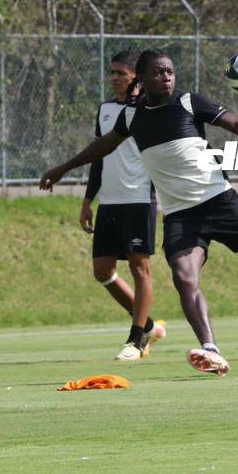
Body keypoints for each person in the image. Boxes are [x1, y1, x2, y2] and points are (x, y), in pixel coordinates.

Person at [40, 49, 238, 376]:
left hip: (220, 202)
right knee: (184, 278)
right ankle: (210, 348)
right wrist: (63, 168)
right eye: (158, 73)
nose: (167, 77)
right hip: (180, 216)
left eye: (170, 71)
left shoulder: (188, 102)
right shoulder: (131, 116)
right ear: (142, 78)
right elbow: (103, 146)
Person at [80, 51, 164, 361]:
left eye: (121, 72)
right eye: (112, 72)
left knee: (140, 269)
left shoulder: (149, 109)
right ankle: (149, 326)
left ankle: (136, 338)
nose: (114, 77)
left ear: (136, 77)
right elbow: (98, 155)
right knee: (102, 271)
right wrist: (89, 199)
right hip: (109, 203)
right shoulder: (104, 110)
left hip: (139, 200)